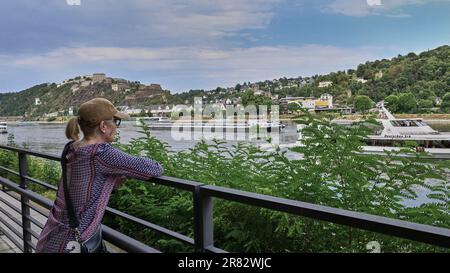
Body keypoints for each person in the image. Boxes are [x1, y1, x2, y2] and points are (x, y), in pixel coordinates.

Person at [35, 98, 164, 253]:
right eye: (116, 121)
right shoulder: (101, 153)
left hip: (51, 237)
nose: (117, 126)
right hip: (70, 245)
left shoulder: (71, 148)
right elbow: (154, 168)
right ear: (103, 126)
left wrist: (111, 178)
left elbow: (85, 181)